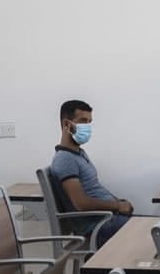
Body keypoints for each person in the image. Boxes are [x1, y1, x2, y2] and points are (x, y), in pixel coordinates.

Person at [49, 99, 133, 246]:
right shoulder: (65, 159)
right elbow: (81, 203)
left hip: (108, 218)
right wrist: (117, 206)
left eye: (89, 122)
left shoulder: (79, 154)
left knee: (154, 227)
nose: (87, 127)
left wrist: (119, 203)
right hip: (97, 227)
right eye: (82, 121)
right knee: (152, 232)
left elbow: (95, 186)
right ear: (67, 124)